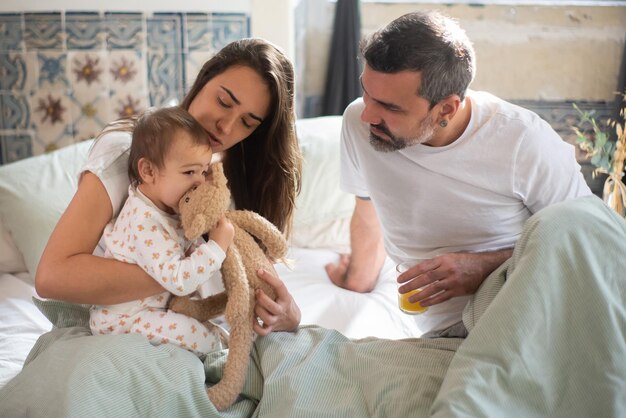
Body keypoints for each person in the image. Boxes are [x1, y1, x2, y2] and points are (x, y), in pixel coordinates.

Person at [325, 11, 593, 337]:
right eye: (367, 92)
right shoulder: (359, 124)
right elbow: (368, 213)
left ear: (446, 109)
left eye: (391, 107)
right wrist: (356, 281)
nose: (368, 115)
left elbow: (586, 244)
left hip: (528, 310)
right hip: (441, 330)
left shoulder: (525, 142)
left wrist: (484, 268)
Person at [36, 38, 303, 336]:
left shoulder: (243, 171)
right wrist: (186, 271)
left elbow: (255, 281)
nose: (226, 127)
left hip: (218, 337)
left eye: (248, 122)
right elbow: (52, 276)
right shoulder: (129, 152)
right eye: (224, 102)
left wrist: (288, 315)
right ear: (203, 79)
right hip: (127, 329)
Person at [89, 107, 233, 356]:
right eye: (189, 172)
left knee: (207, 327)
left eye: (203, 171)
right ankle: (223, 353)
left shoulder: (167, 207)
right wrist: (216, 248)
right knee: (203, 339)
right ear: (148, 171)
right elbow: (177, 279)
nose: (199, 182)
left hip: (154, 309)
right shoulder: (143, 220)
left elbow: (184, 250)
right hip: (122, 319)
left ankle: (225, 344)